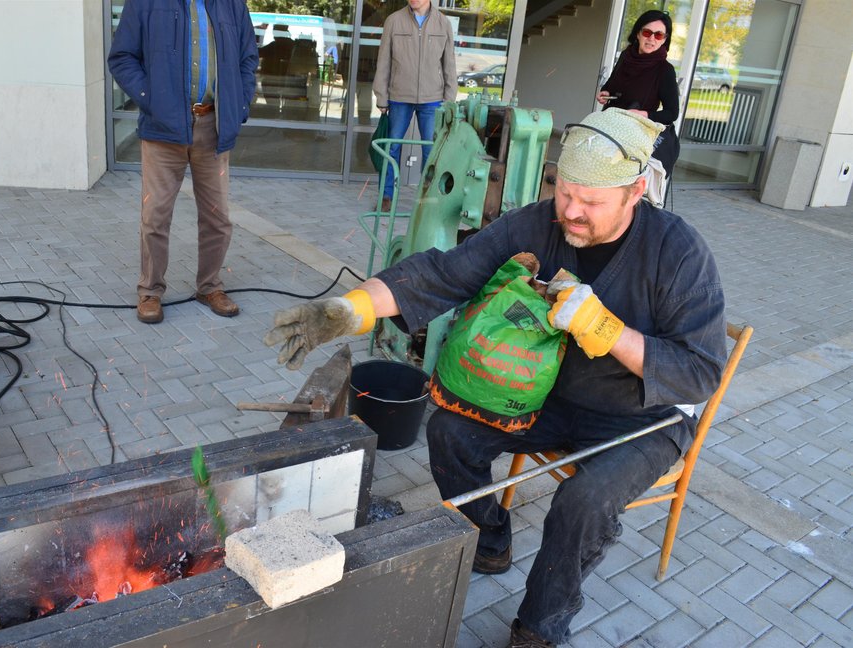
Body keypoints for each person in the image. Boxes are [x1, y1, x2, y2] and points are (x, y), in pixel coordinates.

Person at [264, 108, 727, 647]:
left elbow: (702, 372)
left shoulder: (679, 252)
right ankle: (489, 535)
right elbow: (444, 274)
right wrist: (347, 311)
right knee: (448, 433)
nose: (572, 213)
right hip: (555, 398)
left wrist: (609, 331)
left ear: (636, 190)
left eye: (591, 203)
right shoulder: (539, 223)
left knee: (583, 504)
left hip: (642, 417)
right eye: (565, 193)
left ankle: (539, 627)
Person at [108, 0, 258, 323]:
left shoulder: (232, 5)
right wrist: (152, 100)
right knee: (155, 215)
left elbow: (248, 59)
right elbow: (122, 57)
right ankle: (149, 290)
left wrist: (239, 105)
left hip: (213, 127)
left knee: (218, 218)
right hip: (163, 129)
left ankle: (209, 285)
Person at [373, 0, 457, 212]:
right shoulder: (393, 21)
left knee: (431, 151)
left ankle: (425, 201)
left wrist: (449, 98)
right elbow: (383, 61)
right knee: (391, 148)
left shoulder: (443, 23)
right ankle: (386, 197)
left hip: (432, 99)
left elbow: (449, 64)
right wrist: (381, 96)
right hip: (399, 96)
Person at [597, 10, 680, 181]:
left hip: (633, 139)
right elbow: (611, 85)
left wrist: (645, 114)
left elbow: (672, 113)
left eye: (658, 35)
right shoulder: (626, 57)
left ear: (665, 39)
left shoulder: (665, 70)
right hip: (608, 131)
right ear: (638, 33)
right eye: (647, 33)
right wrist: (605, 93)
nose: (651, 39)